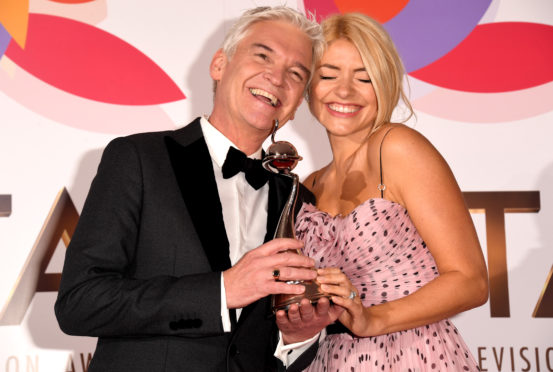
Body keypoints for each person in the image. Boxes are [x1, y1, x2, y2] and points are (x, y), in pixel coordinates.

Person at [55, 7, 338, 372]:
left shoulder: (298, 200)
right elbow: (80, 302)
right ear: (219, 65)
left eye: (296, 73)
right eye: (262, 55)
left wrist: (298, 337)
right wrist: (221, 291)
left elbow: (262, 347)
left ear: (298, 103)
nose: (277, 77)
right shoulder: (139, 159)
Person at [295, 13, 489, 371]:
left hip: (415, 356)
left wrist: (374, 320)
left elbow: (471, 281)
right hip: (332, 361)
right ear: (309, 86)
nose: (345, 91)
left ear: (383, 85)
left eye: (364, 77)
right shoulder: (308, 186)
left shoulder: (397, 148)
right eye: (328, 74)